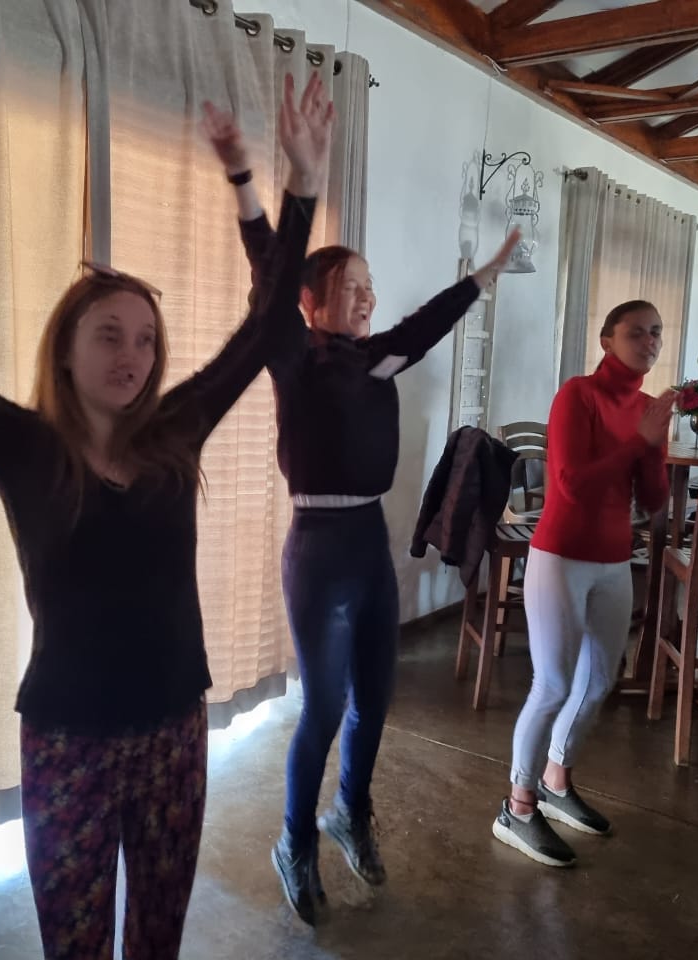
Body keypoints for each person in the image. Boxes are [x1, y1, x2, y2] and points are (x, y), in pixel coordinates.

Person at [0, 33, 331, 958]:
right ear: (66, 348)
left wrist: (301, 187)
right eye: (110, 336)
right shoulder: (27, 448)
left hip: (173, 727)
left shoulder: (176, 433)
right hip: (68, 740)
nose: (134, 356)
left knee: (157, 936)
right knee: (77, 945)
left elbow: (267, 323)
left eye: (147, 340)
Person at [206, 101, 518, 922]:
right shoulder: (292, 356)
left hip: (369, 543)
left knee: (374, 699)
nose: (368, 297)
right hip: (317, 548)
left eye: (370, 287)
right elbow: (270, 273)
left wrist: (484, 276)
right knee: (322, 705)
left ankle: (351, 811)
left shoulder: (377, 358)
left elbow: (428, 324)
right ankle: (294, 841)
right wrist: (245, 181)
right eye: (352, 287)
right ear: (312, 302)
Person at [491, 300, 675, 869]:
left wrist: (653, 445)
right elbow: (570, 485)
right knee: (552, 684)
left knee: (598, 681)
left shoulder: (646, 408)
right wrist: (639, 441)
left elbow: (654, 499)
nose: (649, 342)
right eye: (636, 332)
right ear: (606, 339)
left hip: (614, 560)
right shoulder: (578, 395)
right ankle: (517, 808)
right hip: (560, 556)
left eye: (656, 333)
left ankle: (555, 780)